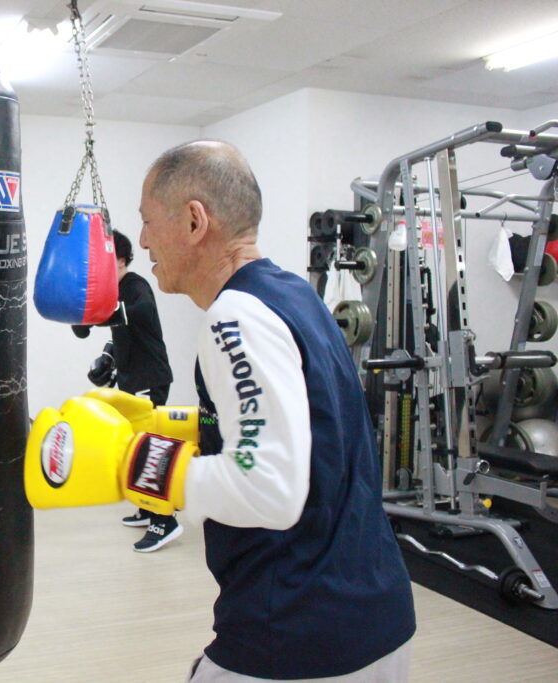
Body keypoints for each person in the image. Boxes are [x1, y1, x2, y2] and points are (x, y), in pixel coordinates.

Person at [136, 140, 416, 681]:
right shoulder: (292, 295)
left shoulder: (234, 317)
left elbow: (268, 489)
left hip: (297, 633)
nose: (144, 240)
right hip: (370, 612)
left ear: (194, 221)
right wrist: (193, 426)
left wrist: (141, 465)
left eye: (148, 221)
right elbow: (310, 426)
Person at [87, 229, 180, 552]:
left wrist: (96, 314)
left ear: (121, 260)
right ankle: (147, 507)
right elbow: (123, 332)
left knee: (149, 448)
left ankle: (165, 520)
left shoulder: (135, 286)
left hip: (149, 377)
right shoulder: (116, 290)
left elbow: (141, 312)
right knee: (134, 445)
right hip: (132, 379)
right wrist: (108, 357)